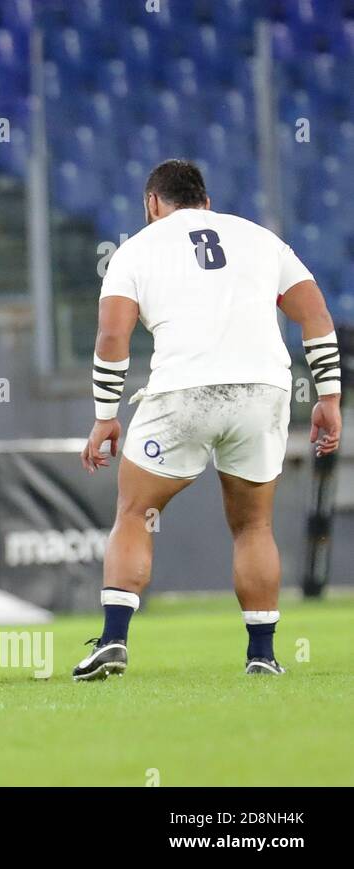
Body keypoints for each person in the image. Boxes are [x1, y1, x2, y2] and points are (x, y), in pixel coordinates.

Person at [75, 159, 342, 680]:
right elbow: (315, 316)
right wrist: (328, 395)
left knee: (136, 512)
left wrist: (105, 415)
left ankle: (113, 641)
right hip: (262, 390)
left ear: (153, 203)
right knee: (253, 524)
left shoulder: (135, 250)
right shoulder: (259, 238)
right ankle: (261, 654)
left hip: (183, 393)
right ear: (206, 202)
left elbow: (112, 338)